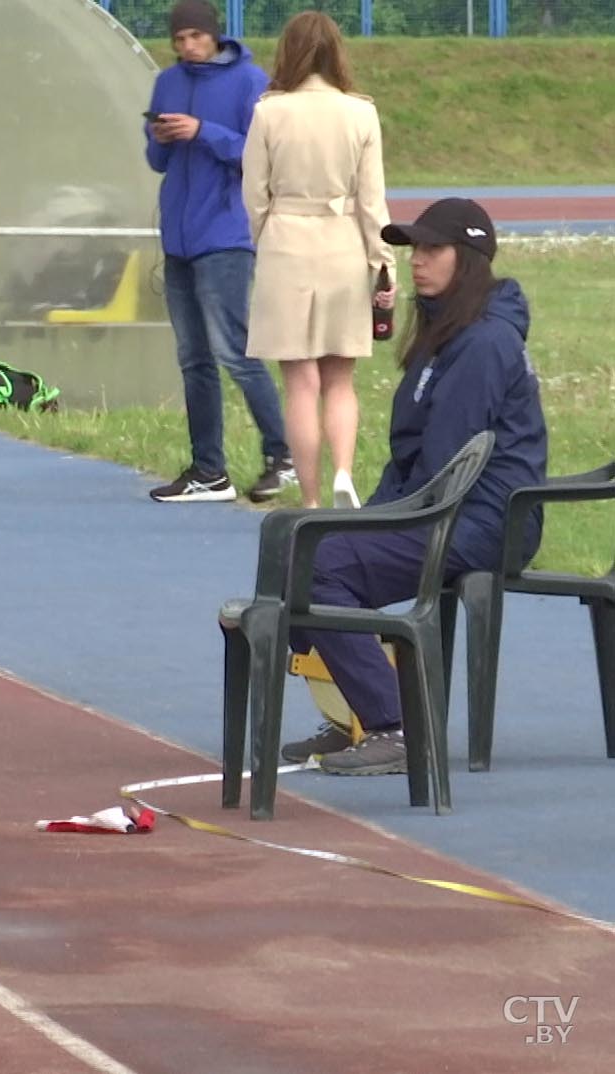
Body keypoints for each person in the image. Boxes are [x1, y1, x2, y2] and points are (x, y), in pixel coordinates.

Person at [280, 199, 547, 775]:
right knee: (301, 548)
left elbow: (446, 468)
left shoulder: (482, 345)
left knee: (321, 565)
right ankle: (352, 713)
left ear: (469, 259)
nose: (417, 263)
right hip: (451, 510)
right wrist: (363, 519)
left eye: (432, 250)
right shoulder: (448, 336)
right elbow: (412, 459)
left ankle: (395, 727)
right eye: (414, 251)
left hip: (482, 522)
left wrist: (369, 527)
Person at [242, 11, 395, 510]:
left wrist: (269, 235)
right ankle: (345, 473)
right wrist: (381, 262)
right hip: (344, 243)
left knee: (300, 384)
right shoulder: (360, 113)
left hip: (287, 241)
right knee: (340, 379)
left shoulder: (269, 112)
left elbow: (253, 194)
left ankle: (309, 499)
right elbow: (373, 202)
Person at [144, 0, 293, 505]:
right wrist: (161, 134)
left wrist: (203, 132)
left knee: (235, 350)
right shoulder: (167, 82)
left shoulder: (251, 82)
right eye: (179, 39)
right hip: (179, 236)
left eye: (195, 37)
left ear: (214, 36)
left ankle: (284, 455)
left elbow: (261, 155)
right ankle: (209, 468)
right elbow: (156, 161)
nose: (187, 46)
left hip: (226, 234)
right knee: (193, 358)